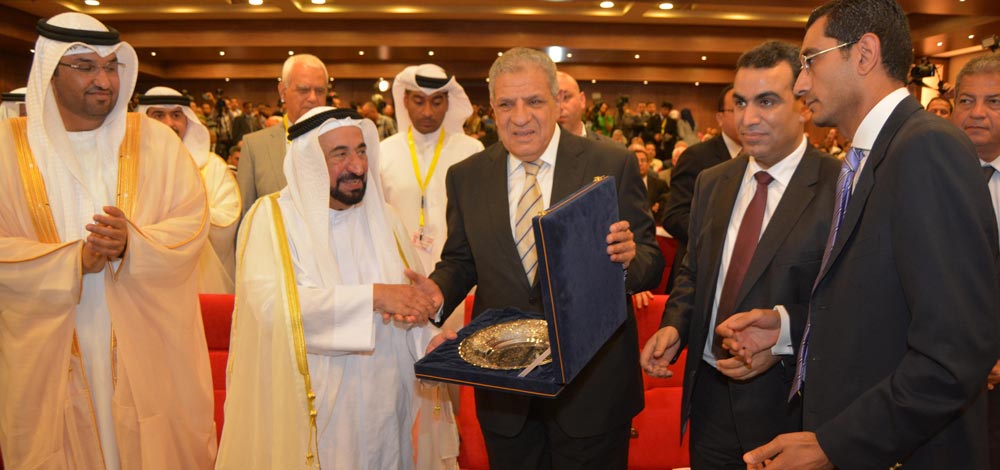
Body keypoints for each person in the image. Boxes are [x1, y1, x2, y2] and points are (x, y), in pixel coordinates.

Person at [720, 1, 999, 468]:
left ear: (864, 53)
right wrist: (789, 329)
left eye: (810, 60)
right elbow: (882, 307)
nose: (801, 83)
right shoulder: (873, 156)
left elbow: (955, 350)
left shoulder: (925, 147)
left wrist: (836, 444)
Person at [421, 47, 663, 469]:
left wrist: (628, 260)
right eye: (506, 104)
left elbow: (650, 261)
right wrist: (435, 293)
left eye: (533, 101)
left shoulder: (611, 164)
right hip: (506, 392)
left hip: (592, 390)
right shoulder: (466, 177)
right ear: (491, 109)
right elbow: (460, 261)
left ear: (556, 102)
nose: (520, 117)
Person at [0, 13, 216, 469]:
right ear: (51, 71)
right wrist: (72, 261)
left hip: (145, 343)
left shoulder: (157, 142)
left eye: (111, 67)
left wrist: (132, 244)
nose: (103, 80)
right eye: (85, 67)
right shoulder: (6, 150)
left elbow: (192, 223)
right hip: (50, 344)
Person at [217, 107, 456, 470]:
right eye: (339, 154)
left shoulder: (386, 217)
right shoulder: (273, 219)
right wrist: (374, 297)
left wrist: (429, 342)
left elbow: (406, 306)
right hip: (316, 413)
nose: (357, 166)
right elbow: (271, 309)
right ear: (310, 162)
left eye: (361, 151)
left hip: (385, 410)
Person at [640, 40, 840, 469]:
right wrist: (675, 326)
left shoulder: (839, 187)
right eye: (741, 102)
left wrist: (783, 339)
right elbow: (694, 271)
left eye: (766, 102)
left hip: (790, 406)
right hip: (709, 397)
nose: (748, 118)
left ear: (803, 106)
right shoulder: (713, 181)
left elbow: (851, 305)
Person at [379, 63, 484, 332]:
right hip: (398, 279)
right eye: (419, 101)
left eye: (436, 102)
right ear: (404, 100)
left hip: (456, 283)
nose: (427, 111)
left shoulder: (472, 151)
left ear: (448, 103)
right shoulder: (383, 152)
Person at [139, 86, 241, 293]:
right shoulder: (129, 166)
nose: (169, 123)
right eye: (158, 115)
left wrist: (185, 220)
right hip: (143, 277)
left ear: (187, 121)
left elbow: (228, 218)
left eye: (176, 115)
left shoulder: (212, 166)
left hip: (199, 280)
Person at [952, 53, 1000, 470]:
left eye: (994, 102)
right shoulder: (926, 173)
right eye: (966, 101)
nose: (977, 113)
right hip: (939, 374)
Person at [662, 86, 742, 291]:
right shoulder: (696, 157)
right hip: (699, 276)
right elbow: (674, 216)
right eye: (738, 107)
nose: (746, 115)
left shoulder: (763, 159)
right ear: (720, 118)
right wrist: (725, 236)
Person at [237, 53, 327, 216]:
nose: (313, 98)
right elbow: (245, 217)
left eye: (320, 91)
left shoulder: (343, 142)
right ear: (282, 92)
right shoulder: (255, 146)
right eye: (304, 90)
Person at [555, 71, 613, 143]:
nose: (560, 107)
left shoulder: (610, 149)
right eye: (553, 100)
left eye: (565, 97)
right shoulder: (541, 149)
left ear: (582, 100)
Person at [630, 143, 669, 224]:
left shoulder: (660, 185)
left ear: (648, 164)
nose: (640, 164)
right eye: (636, 161)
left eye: (643, 160)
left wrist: (660, 204)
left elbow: (667, 199)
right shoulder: (625, 184)